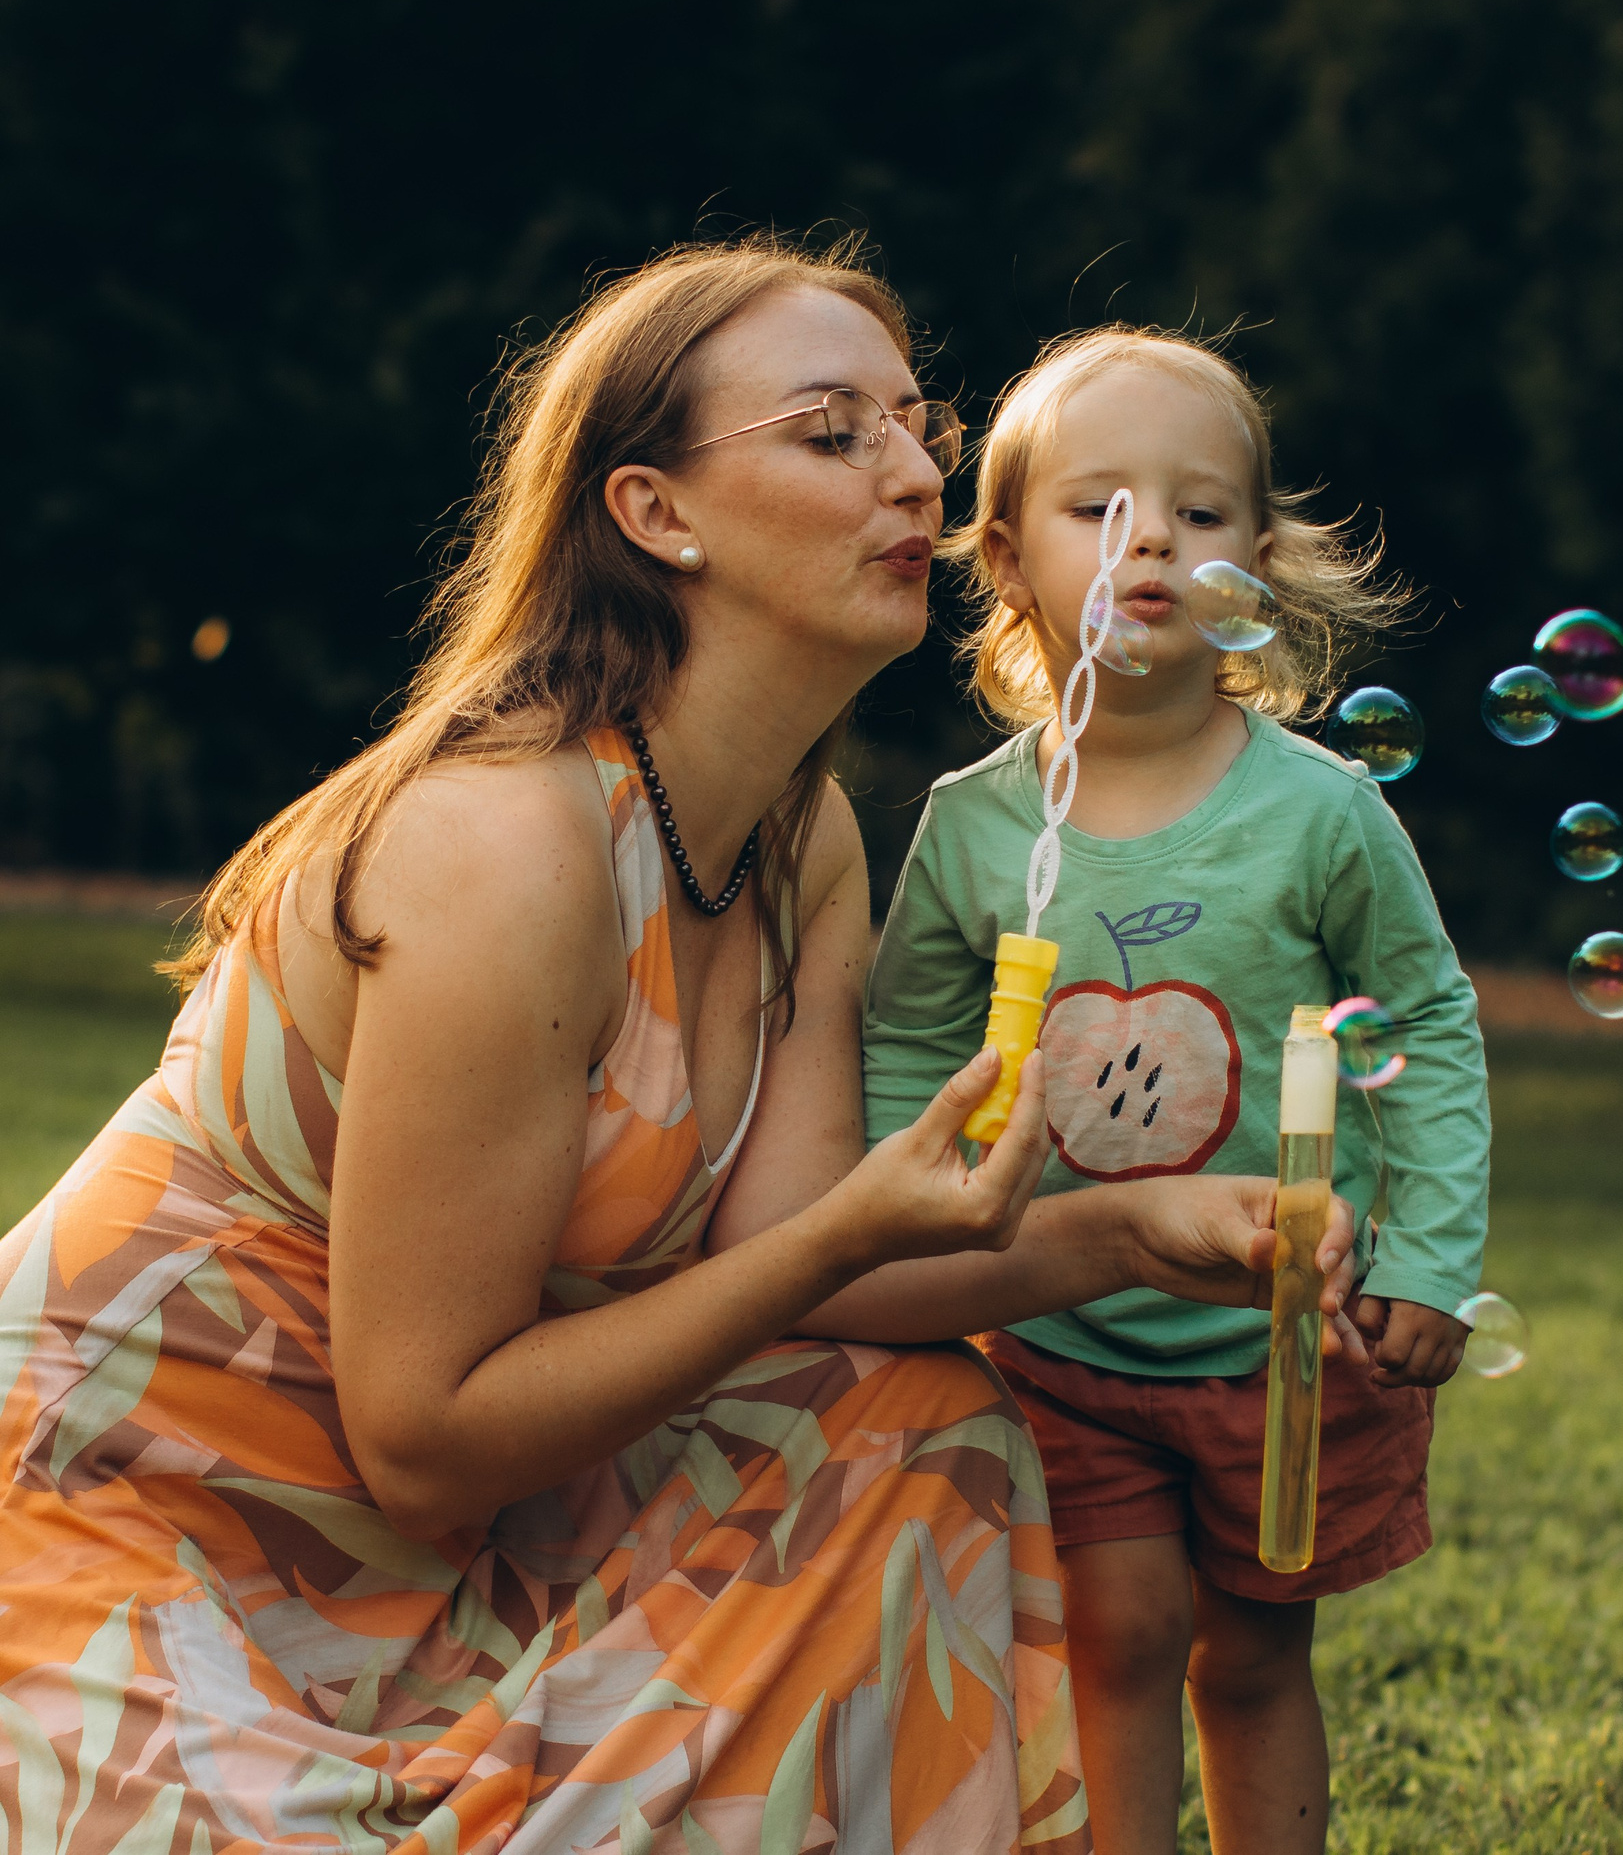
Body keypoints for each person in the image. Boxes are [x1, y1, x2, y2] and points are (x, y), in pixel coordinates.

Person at [0, 241, 1363, 1855]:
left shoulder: (804, 843)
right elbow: (427, 1436)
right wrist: (847, 1228)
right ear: (656, 512)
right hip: (131, 1534)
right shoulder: (506, 846)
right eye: (832, 431)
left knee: (918, 1420)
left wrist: (1124, 1231)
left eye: (917, 425)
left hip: (433, 1556)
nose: (919, 474)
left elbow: (817, 1279)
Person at [863, 326, 1493, 1855]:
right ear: (1006, 559)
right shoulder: (972, 828)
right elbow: (903, 1046)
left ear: (1260, 560)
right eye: (1101, 509)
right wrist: (914, 1229)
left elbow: (1426, 1021)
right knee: (1120, 1625)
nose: (1154, 540)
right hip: (1060, 1331)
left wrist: (1425, 1255)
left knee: (1256, 1649)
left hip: (1283, 1336)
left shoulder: (1323, 814)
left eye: (1202, 514)